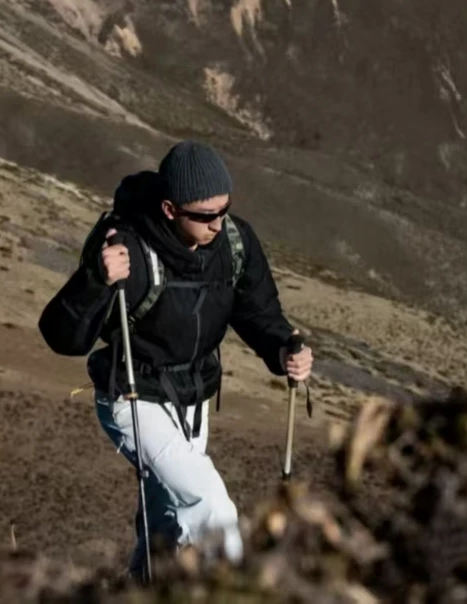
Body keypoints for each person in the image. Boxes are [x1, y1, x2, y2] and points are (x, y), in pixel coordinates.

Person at [38, 140, 312, 576]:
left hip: (193, 398)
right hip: (133, 398)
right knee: (211, 510)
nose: (218, 224)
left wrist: (282, 349)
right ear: (170, 209)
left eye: (223, 210)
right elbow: (62, 336)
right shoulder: (129, 251)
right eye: (205, 215)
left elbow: (257, 310)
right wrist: (95, 279)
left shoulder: (235, 242)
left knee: (166, 520)